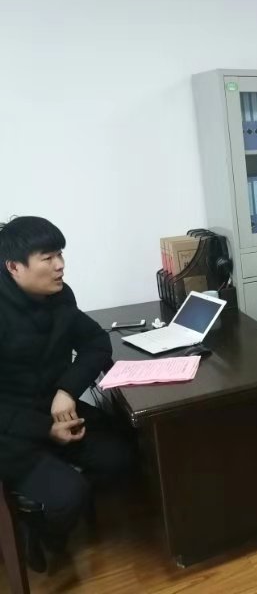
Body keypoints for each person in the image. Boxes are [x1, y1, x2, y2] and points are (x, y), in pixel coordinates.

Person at [0, 216, 134, 571]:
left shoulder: (60, 296)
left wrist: (67, 390)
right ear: (14, 267)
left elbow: (96, 342)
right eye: (48, 258)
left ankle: (52, 506)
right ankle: (41, 532)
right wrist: (46, 430)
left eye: (60, 254)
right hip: (11, 431)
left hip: (56, 409)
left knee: (122, 455)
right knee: (69, 494)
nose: (60, 265)